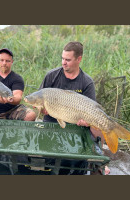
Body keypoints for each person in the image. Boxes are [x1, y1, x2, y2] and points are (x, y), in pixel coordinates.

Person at [39, 41, 110, 175]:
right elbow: (40, 101)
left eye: (68, 60)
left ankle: (99, 162)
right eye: (62, 58)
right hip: (53, 122)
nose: (63, 62)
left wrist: (87, 122)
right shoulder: (51, 76)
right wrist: (42, 109)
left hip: (77, 124)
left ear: (79, 59)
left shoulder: (86, 81)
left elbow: (92, 108)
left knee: (97, 127)